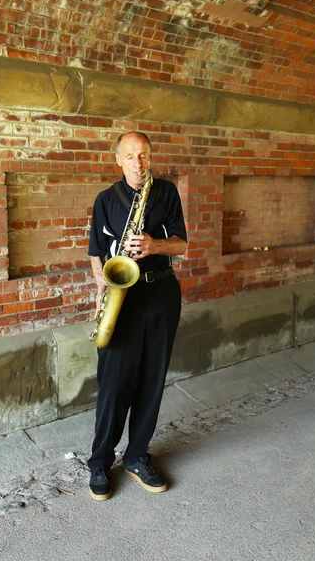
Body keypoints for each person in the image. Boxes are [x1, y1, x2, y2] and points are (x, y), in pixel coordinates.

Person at [87, 131, 187, 500]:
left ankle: (136, 456)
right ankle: (99, 461)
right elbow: (96, 250)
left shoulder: (166, 192)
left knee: (151, 379)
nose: (138, 163)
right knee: (114, 383)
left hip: (160, 292)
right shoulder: (105, 200)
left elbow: (183, 243)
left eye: (143, 155)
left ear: (151, 156)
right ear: (118, 160)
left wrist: (154, 245)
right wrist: (100, 283)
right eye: (130, 156)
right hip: (122, 296)